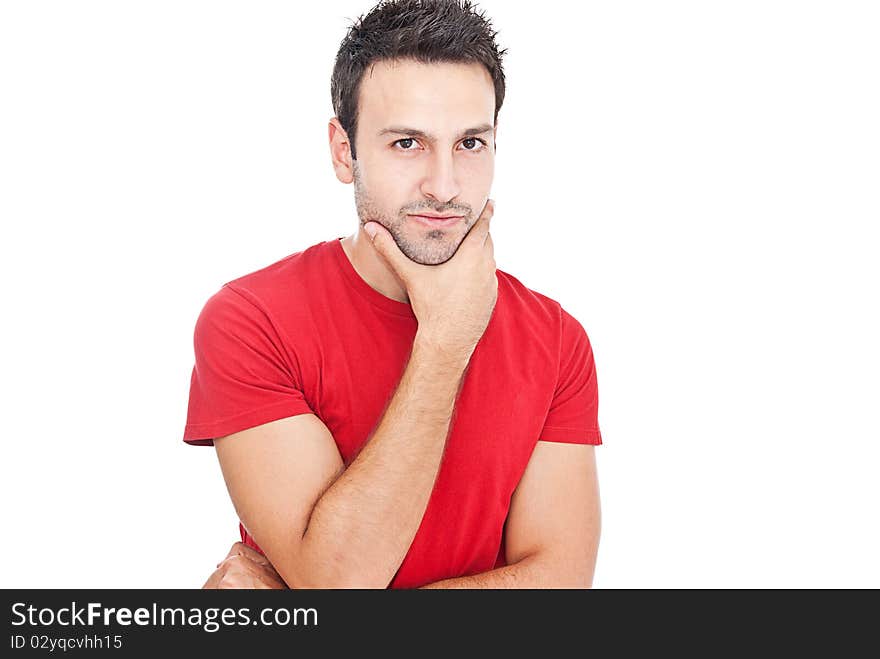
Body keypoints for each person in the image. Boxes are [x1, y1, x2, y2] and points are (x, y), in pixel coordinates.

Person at [184, 0, 603, 589]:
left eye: (470, 143)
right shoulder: (251, 321)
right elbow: (340, 584)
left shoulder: (557, 339)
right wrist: (443, 342)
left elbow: (561, 584)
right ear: (343, 150)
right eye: (408, 143)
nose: (445, 185)